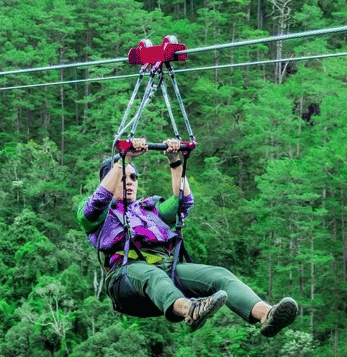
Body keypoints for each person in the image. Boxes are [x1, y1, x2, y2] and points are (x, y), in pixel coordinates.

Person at [76, 137, 298, 334]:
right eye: (123, 178)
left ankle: (265, 314)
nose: (130, 182)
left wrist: (175, 162)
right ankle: (189, 310)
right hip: (126, 278)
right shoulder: (97, 214)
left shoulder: (149, 209)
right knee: (152, 276)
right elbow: (96, 204)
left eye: (134, 177)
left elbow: (183, 202)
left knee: (219, 275)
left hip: (166, 272)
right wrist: (121, 160)